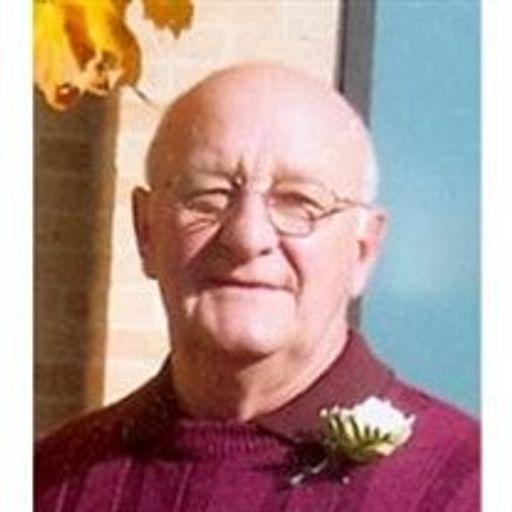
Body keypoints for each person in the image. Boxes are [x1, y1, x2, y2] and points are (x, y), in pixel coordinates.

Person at [36, 63, 479, 511]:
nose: (247, 237)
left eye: (299, 201)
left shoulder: (466, 487)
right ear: (146, 231)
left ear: (363, 250)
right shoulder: (49, 481)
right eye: (207, 196)